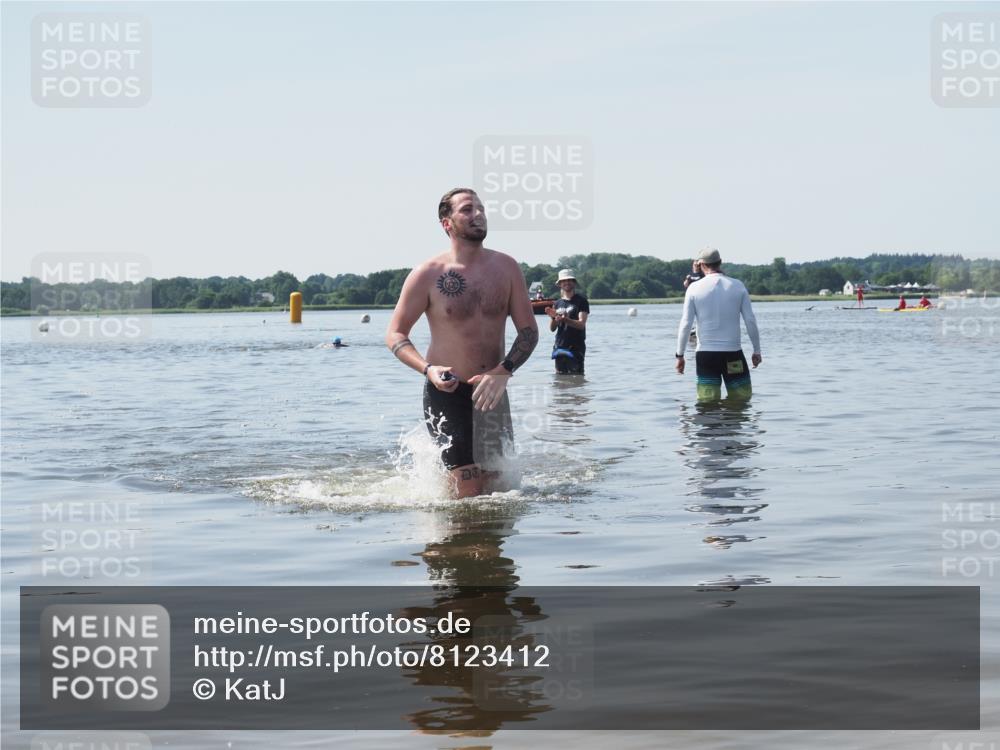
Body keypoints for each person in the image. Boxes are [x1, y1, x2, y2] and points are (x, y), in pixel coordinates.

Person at [385, 188, 538, 498]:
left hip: (491, 392)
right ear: (447, 223)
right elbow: (395, 334)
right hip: (447, 391)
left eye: (481, 208)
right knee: (469, 487)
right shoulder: (427, 274)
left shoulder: (507, 268)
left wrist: (504, 370)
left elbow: (528, 332)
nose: (478, 214)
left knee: (498, 487)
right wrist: (428, 369)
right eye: (467, 209)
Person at [675, 248, 761, 402]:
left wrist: (680, 355)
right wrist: (756, 351)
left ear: (701, 265)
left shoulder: (693, 288)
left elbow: (686, 323)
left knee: (707, 403)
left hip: (706, 356)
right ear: (720, 262)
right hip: (733, 355)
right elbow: (750, 320)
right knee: (741, 401)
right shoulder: (738, 285)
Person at [544, 269, 589, 375]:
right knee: (559, 379)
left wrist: (565, 319)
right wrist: (554, 318)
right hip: (559, 346)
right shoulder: (557, 303)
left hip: (576, 347)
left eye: (569, 280)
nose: (567, 282)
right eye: (564, 281)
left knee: (576, 378)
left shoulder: (581, 301)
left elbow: (581, 324)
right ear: (560, 284)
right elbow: (552, 329)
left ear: (574, 283)